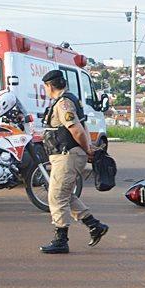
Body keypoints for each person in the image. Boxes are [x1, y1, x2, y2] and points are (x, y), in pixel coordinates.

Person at [38, 69, 108, 254]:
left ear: (49, 85)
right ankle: (94, 225)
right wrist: (88, 147)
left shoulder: (63, 103)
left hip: (66, 155)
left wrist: (88, 148)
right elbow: (82, 125)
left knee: (56, 196)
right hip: (65, 155)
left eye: (45, 86)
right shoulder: (69, 99)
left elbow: (76, 129)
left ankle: (61, 239)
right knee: (66, 195)